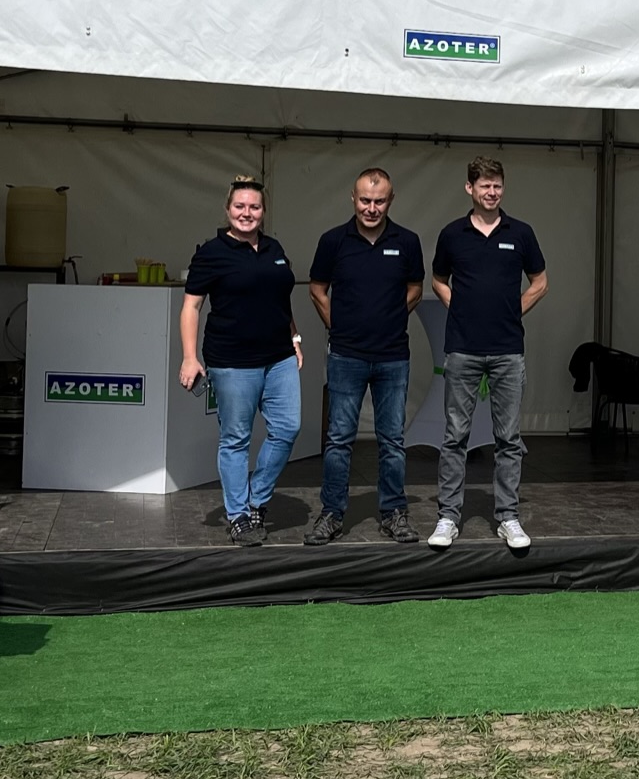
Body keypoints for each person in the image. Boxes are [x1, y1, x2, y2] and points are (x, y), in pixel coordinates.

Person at [428, 157, 549, 551]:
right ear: (470, 188)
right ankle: (448, 516)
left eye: (497, 185)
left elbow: (540, 282)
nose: (491, 192)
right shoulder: (452, 234)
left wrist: (514, 310)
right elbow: (438, 280)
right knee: (455, 436)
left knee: (508, 438)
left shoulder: (521, 233)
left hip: (507, 349)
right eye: (484, 185)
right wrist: (459, 307)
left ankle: (508, 516)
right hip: (462, 348)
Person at [180, 176, 304, 546]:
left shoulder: (274, 248)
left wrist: (295, 337)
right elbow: (191, 307)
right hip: (232, 361)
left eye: (254, 207)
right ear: (228, 209)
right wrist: (189, 357)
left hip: (279, 357)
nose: (246, 213)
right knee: (236, 439)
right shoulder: (211, 253)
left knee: (288, 428)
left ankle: (255, 501)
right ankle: (238, 515)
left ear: (263, 212)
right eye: (239, 206)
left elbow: (280, 299)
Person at [306, 168, 426, 545]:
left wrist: (391, 318)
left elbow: (416, 288)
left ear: (391, 200)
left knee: (392, 440)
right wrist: (337, 325)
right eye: (364, 200)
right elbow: (317, 289)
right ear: (353, 198)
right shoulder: (333, 241)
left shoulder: (407, 241)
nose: (371, 208)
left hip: (393, 357)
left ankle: (394, 513)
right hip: (346, 356)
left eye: (379, 201)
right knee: (339, 439)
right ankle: (331, 514)